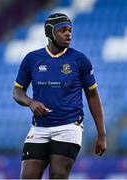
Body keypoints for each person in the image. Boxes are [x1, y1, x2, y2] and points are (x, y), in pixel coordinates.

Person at [13, 13, 107, 179]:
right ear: (50, 33)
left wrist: (101, 134)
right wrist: (30, 102)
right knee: (28, 176)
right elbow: (17, 92)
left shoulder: (80, 60)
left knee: (58, 175)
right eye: (62, 30)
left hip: (69, 126)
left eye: (70, 30)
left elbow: (93, 96)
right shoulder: (32, 59)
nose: (68, 33)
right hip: (39, 128)